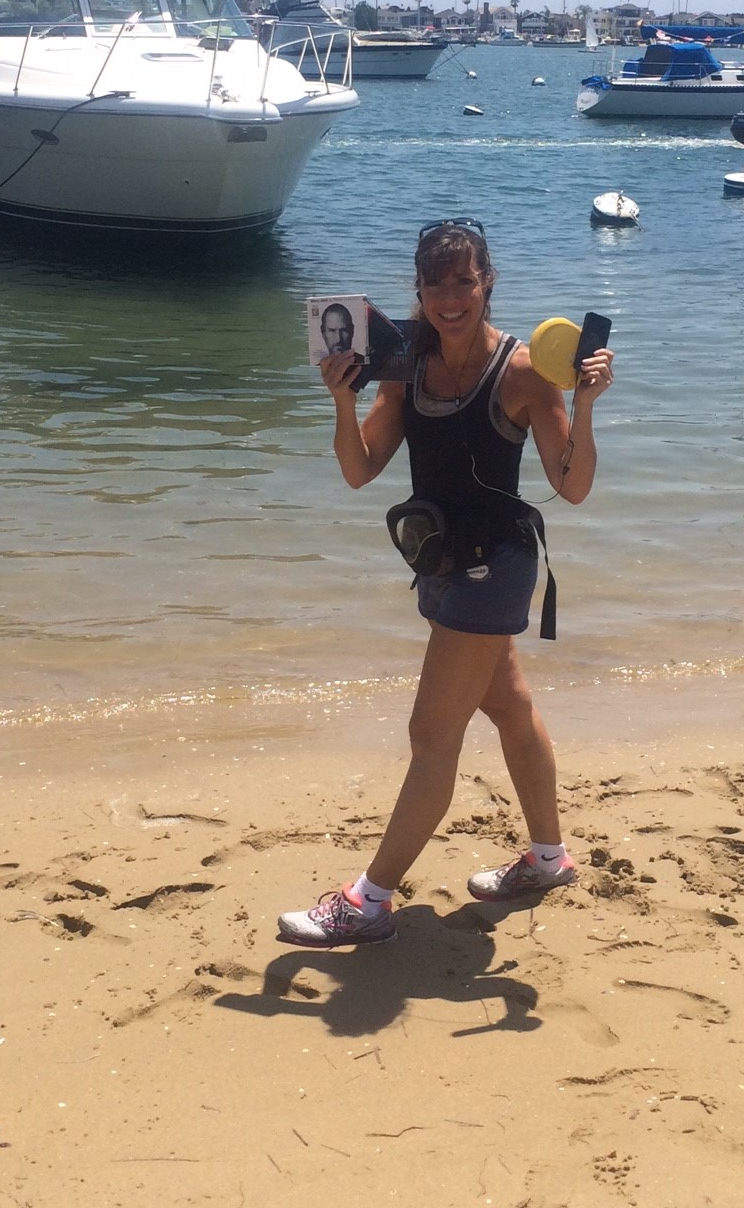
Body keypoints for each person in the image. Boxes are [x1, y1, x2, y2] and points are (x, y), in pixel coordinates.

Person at [279, 218, 615, 947]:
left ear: (488, 281)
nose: (450, 298)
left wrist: (585, 405)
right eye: (436, 285)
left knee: (431, 735)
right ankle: (548, 860)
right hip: (436, 563)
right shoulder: (404, 359)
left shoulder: (524, 371)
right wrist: (340, 398)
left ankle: (367, 902)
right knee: (512, 708)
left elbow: (573, 485)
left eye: (465, 281)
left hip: (494, 568)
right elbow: (360, 467)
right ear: (419, 290)